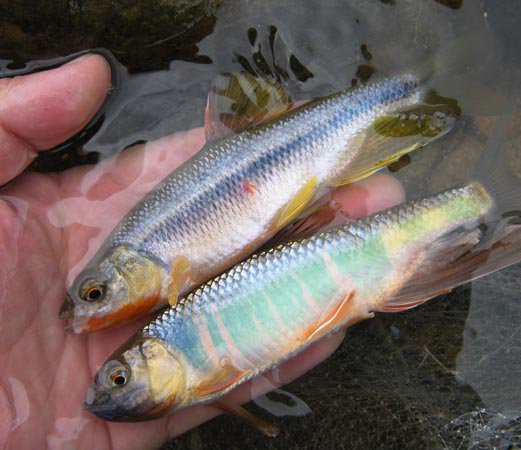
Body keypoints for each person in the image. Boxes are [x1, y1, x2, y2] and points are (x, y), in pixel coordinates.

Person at [0, 54, 405, 449]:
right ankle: (414, 87)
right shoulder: (161, 285)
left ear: (125, 265)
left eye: (96, 294)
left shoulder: (161, 269)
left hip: (284, 152)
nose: (90, 311)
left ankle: (410, 88)